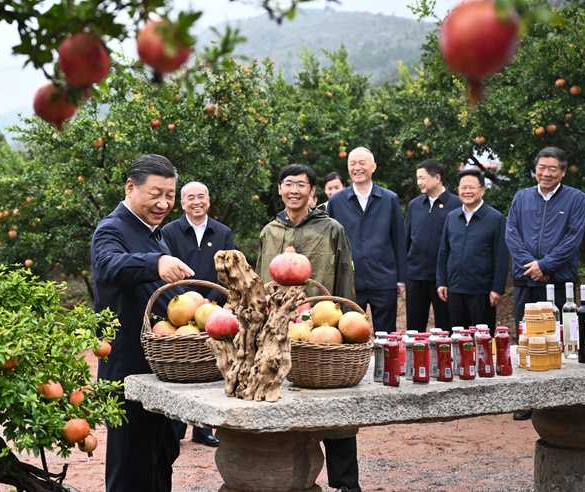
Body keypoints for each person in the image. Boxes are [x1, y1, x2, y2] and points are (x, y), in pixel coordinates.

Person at [90, 154, 194, 492]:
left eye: (169, 195)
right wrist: (156, 261)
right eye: (155, 194)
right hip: (126, 367)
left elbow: (158, 294)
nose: (164, 203)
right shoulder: (111, 229)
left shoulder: (155, 234)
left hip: (158, 363)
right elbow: (109, 266)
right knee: (130, 463)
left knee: (162, 453)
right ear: (131, 187)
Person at [256, 163, 359, 492]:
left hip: (321, 329)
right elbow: (259, 284)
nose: (294, 190)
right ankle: (290, 481)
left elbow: (345, 277)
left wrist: (345, 322)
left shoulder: (331, 229)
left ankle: (345, 483)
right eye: (288, 184)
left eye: (301, 185)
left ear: (312, 192)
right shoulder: (270, 231)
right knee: (281, 405)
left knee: (335, 410)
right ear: (280, 190)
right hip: (278, 329)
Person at [505, 146, 585, 421]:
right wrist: (533, 266)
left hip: (559, 280)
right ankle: (526, 398)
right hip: (526, 279)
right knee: (526, 337)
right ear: (536, 168)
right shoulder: (522, 197)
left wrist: (546, 265)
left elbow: (573, 239)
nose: (546, 173)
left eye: (553, 169)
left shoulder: (576, 199)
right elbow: (512, 234)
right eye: (542, 167)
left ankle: (559, 399)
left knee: (559, 337)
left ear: (562, 171)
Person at [161, 181, 233, 448]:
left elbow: (229, 272)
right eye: (190, 197)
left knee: (208, 366)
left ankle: (203, 428)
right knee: (181, 365)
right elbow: (168, 272)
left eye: (201, 196)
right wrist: (188, 301)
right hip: (178, 309)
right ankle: (176, 426)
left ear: (209, 200)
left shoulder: (222, 232)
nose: (196, 201)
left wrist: (211, 301)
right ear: (182, 203)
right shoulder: (169, 232)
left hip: (213, 309)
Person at [328, 147, 406, 333]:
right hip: (349, 280)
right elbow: (330, 243)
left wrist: (401, 279)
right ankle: (352, 364)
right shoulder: (337, 201)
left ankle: (385, 364)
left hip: (383, 277)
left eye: (362, 163)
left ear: (373, 167)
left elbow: (399, 240)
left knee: (386, 334)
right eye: (352, 164)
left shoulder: (389, 199)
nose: (357, 168)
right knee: (348, 332)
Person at [436, 168, 509, 331]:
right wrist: (441, 281)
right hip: (454, 289)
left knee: (482, 340)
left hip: (482, 291)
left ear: (482, 190)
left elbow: (501, 257)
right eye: (463, 187)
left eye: (472, 187)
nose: (467, 191)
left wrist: (497, 289)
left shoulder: (495, 218)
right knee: (457, 338)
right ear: (458, 190)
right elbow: (443, 252)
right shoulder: (452, 217)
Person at [405, 159, 462, 331]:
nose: (419, 182)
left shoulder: (456, 204)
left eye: (422, 178)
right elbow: (407, 239)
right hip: (416, 276)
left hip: (443, 279)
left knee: (446, 328)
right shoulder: (414, 205)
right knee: (414, 328)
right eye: (417, 178)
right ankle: (414, 359)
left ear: (437, 178)